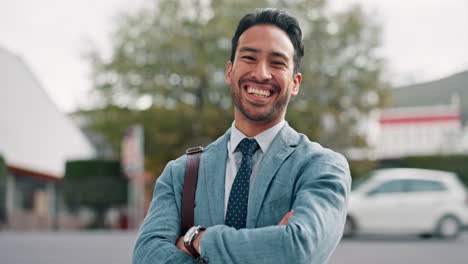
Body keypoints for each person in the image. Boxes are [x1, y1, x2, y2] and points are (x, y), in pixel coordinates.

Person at [133, 8, 351, 264]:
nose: (261, 73)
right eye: (249, 58)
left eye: (277, 63)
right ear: (229, 71)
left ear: (295, 83)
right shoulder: (181, 173)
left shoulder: (321, 167)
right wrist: (269, 246)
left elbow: (298, 248)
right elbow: (146, 257)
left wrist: (197, 240)